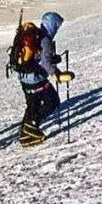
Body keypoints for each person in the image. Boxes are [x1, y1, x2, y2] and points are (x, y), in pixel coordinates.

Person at [18, 12, 75, 146]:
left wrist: (53, 59)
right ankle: (31, 126)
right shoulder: (45, 40)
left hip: (24, 79)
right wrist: (57, 75)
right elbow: (45, 63)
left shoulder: (34, 37)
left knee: (32, 105)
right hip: (36, 79)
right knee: (53, 101)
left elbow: (40, 59)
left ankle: (25, 136)